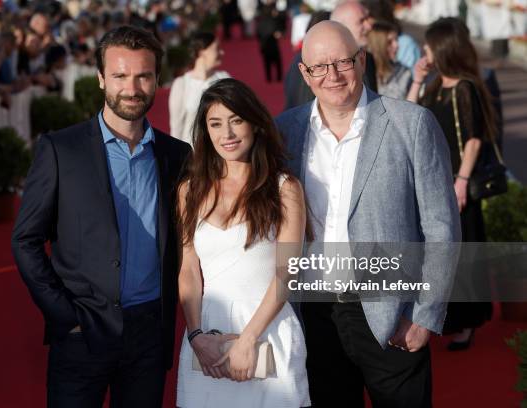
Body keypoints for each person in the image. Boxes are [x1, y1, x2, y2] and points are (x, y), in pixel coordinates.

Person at [276, 21, 460, 407]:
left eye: (342, 61)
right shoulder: (284, 132)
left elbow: (442, 227)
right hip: (315, 313)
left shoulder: (412, 124)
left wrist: (425, 314)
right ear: (304, 73)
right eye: (319, 67)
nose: (332, 76)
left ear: (361, 59)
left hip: (391, 313)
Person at [11, 26, 191, 408]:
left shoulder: (177, 155)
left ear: (157, 79)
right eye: (120, 76)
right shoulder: (62, 149)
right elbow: (25, 240)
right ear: (100, 79)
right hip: (82, 329)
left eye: (143, 75)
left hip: (148, 333)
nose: (132, 87)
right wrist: (64, 314)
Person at [176, 78, 310, 407]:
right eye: (216, 124)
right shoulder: (188, 191)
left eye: (236, 121)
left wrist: (249, 339)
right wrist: (196, 336)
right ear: (205, 131)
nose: (228, 134)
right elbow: (188, 268)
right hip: (207, 336)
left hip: (268, 330)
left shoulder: (284, 188)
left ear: (255, 124)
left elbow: (287, 273)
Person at [407, 17, 495, 351]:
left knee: (463, 253)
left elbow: (472, 141)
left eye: (429, 46)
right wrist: (417, 80)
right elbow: (408, 116)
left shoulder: (464, 87)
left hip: (456, 185)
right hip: (433, 182)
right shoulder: (434, 86)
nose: (424, 51)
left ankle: (468, 322)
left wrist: (461, 182)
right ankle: (448, 316)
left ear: (443, 48)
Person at [169, 32, 230, 145]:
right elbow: (176, 127)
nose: (222, 52)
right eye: (217, 48)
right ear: (202, 52)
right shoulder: (181, 84)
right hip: (192, 153)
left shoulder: (224, 77)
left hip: (220, 150)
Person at [330, 0, 378, 93]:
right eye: (361, 21)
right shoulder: (315, 63)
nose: (369, 26)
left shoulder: (367, 59)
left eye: (367, 19)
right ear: (342, 27)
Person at [367, 21, 412, 99]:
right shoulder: (363, 71)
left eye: (396, 40)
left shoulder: (403, 71)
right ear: (377, 44)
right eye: (389, 42)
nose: (396, 45)